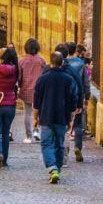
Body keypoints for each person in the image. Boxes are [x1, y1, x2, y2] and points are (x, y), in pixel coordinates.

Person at [33, 50, 81, 183]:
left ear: (51, 62)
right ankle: (57, 168)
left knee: (47, 143)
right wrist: (71, 118)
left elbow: (36, 100)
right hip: (62, 117)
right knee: (59, 144)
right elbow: (73, 100)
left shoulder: (43, 79)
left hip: (46, 116)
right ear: (62, 63)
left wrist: (35, 118)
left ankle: (53, 168)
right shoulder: (68, 79)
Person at [63, 41, 92, 162]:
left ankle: (65, 149)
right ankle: (77, 147)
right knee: (78, 125)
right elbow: (86, 83)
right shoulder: (81, 64)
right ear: (75, 51)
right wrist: (87, 96)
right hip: (78, 97)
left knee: (64, 125)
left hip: (65, 98)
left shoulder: (63, 63)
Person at [17, 38, 46, 143]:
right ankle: (36, 130)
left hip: (26, 89)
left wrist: (19, 86)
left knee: (27, 113)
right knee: (38, 112)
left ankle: (28, 136)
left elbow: (19, 77)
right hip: (39, 90)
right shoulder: (41, 61)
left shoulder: (21, 61)